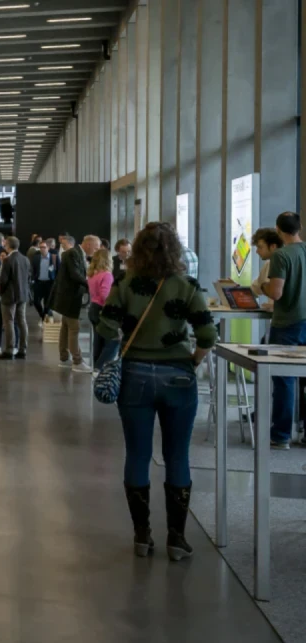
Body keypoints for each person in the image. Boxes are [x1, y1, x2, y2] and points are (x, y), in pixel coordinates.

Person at [96, 222, 215, 561]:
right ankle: (177, 539)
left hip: (134, 375)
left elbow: (105, 325)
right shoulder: (187, 285)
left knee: (137, 454)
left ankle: (141, 535)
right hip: (178, 374)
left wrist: (124, 336)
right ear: (174, 250)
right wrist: (193, 359)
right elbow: (208, 335)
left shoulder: (125, 283)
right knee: (178, 456)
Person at [260, 212, 306, 449]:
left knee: (284, 379)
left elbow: (276, 293)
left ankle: (281, 435)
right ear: (299, 228)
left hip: (287, 322)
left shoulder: (281, 255)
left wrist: (263, 286)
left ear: (278, 230)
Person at [50, 234, 92, 372]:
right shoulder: (73, 253)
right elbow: (75, 275)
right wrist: (91, 285)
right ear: (88, 244)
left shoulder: (75, 253)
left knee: (66, 327)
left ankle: (64, 358)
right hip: (70, 298)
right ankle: (77, 361)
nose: (96, 251)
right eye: (96, 247)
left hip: (68, 297)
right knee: (74, 328)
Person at [0, 236, 31, 360]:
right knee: (22, 321)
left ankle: (9, 350)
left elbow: (3, 280)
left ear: (8, 246)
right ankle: (23, 349)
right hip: (23, 294)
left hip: (9, 295)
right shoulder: (25, 259)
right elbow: (28, 277)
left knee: (8, 321)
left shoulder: (7, 260)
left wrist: (1, 291)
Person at [87, 248, 114, 370]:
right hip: (103, 309)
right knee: (110, 342)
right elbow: (105, 295)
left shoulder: (93, 274)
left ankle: (96, 368)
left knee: (97, 341)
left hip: (93, 307)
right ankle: (100, 367)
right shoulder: (107, 275)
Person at [250, 227, 282, 300]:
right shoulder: (267, 265)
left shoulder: (284, 264)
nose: (257, 251)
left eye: (260, 247)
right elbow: (255, 289)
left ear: (273, 246)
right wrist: (235, 289)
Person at [30, 239, 58, 318]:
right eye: (40, 247)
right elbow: (33, 269)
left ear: (48, 248)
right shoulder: (36, 258)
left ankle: (45, 317)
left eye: (44, 247)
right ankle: (42, 316)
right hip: (39, 283)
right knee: (36, 302)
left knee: (47, 304)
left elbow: (58, 271)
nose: (42, 249)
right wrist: (33, 279)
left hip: (49, 283)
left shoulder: (54, 258)